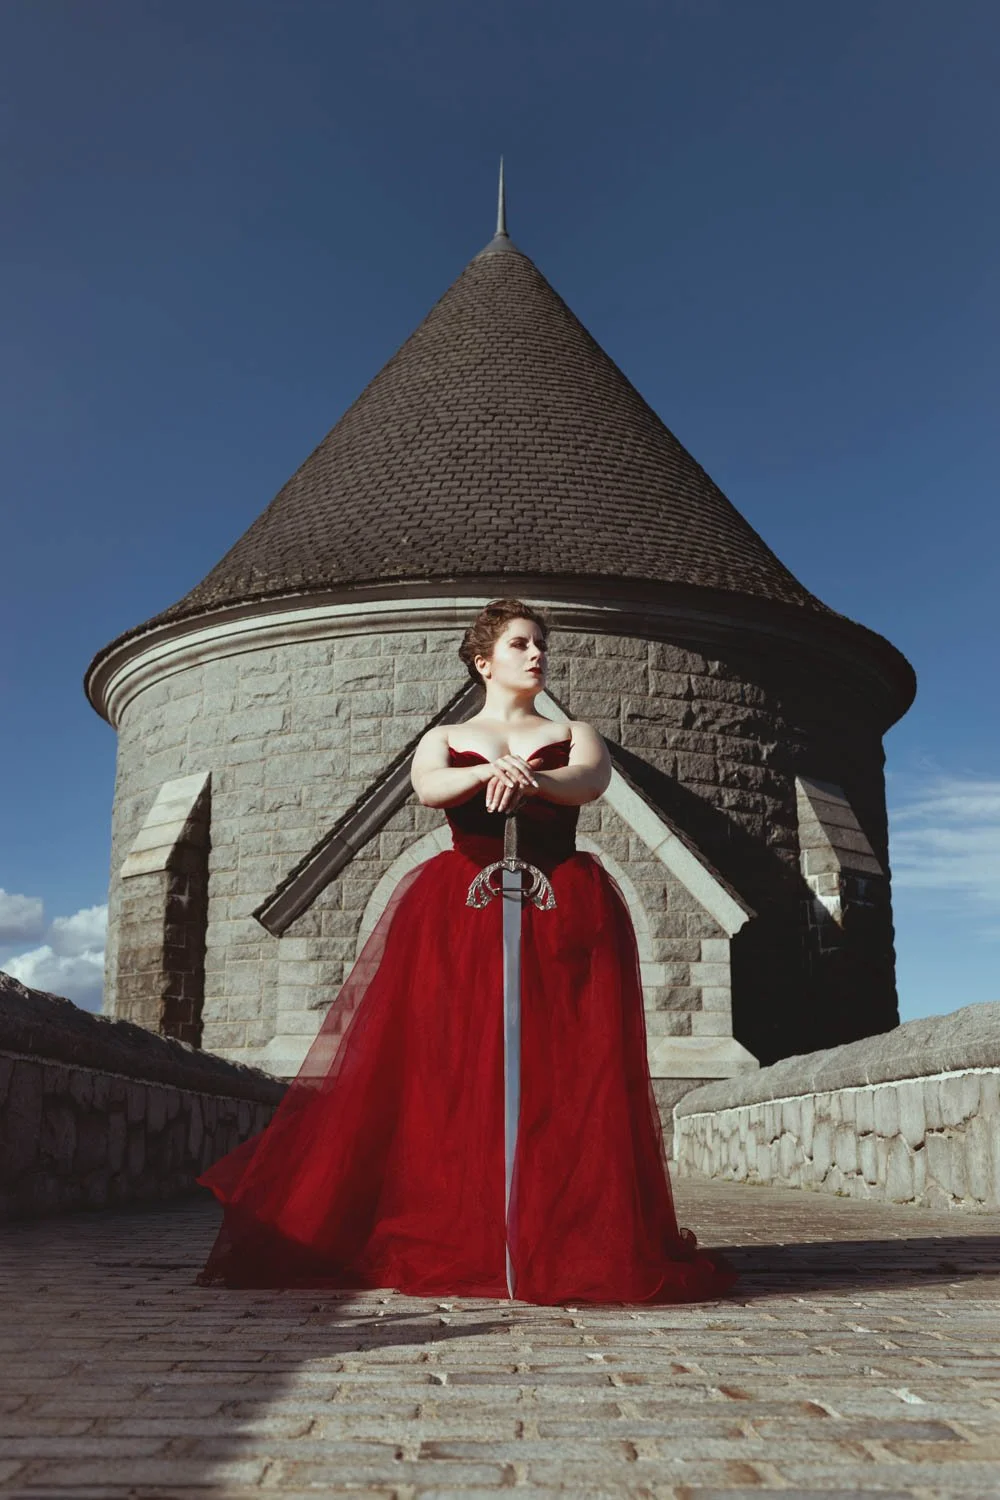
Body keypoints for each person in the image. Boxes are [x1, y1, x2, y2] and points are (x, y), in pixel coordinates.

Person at [196, 600, 734, 1303]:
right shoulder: (446, 736)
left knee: (564, 1067)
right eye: (520, 644)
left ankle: (560, 1233)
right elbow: (428, 789)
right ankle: (471, 1229)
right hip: (461, 917)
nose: (536, 654)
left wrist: (533, 779)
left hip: (560, 908)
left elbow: (591, 782)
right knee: (455, 1068)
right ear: (485, 660)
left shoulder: (574, 733)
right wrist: (489, 774)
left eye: (541, 643)